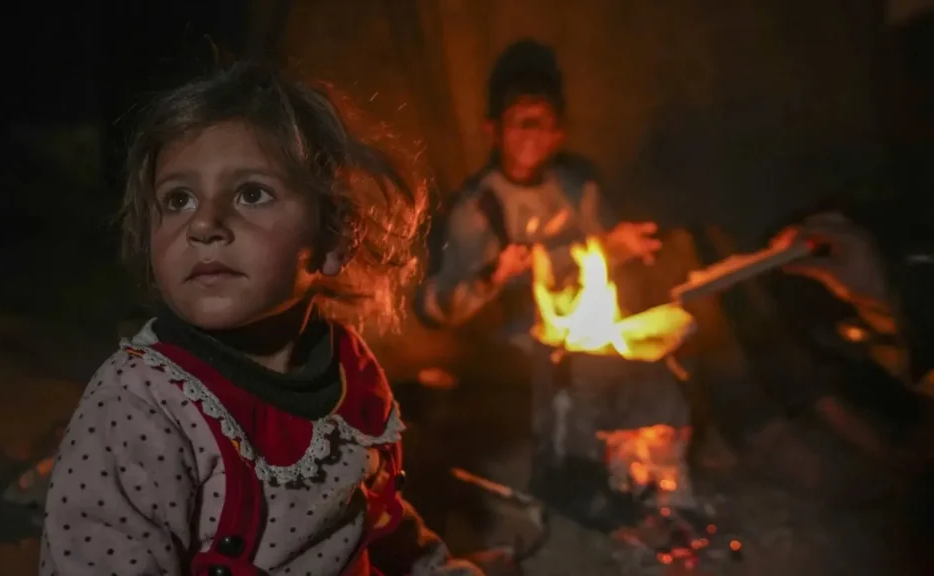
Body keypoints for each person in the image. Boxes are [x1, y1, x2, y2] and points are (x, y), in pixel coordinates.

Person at [39, 62, 488, 576]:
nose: (204, 224)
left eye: (251, 193)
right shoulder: (140, 405)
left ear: (335, 239)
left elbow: (373, 516)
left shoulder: (349, 372)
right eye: (178, 199)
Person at [416, 39, 660, 345]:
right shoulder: (477, 208)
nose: (531, 135)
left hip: (584, 343)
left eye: (542, 123)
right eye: (520, 122)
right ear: (493, 131)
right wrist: (492, 276)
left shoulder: (579, 191)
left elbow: (601, 272)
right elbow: (437, 305)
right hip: (515, 356)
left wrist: (619, 248)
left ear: (558, 134)